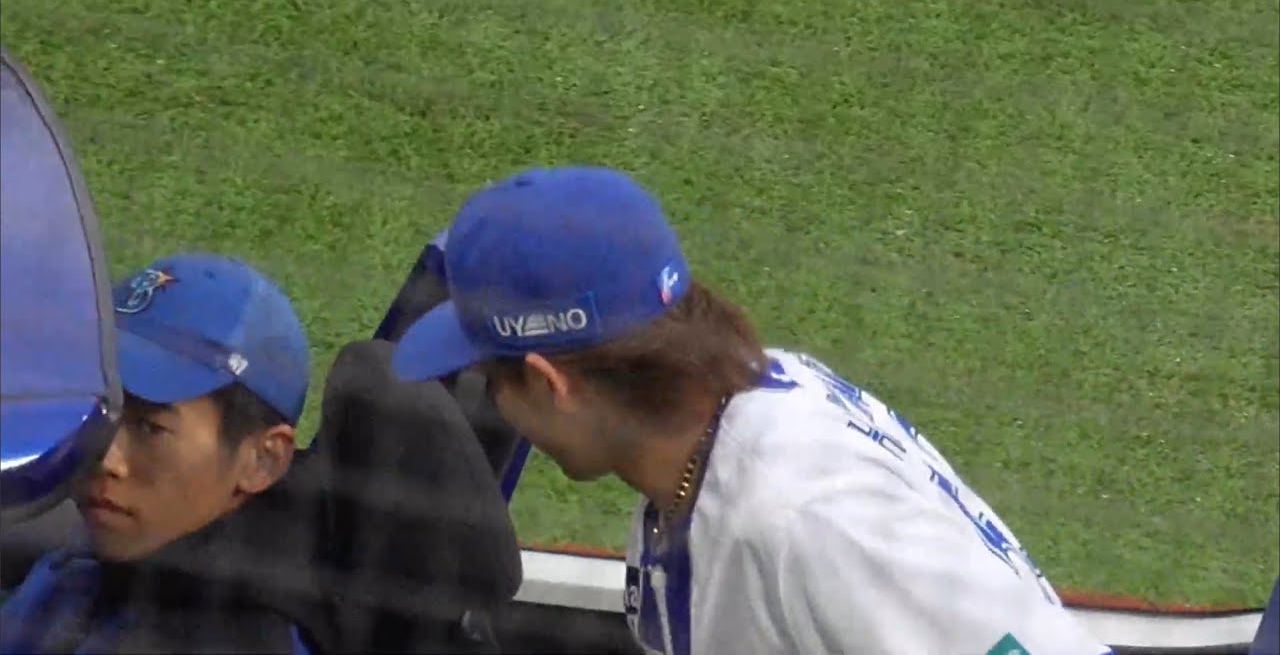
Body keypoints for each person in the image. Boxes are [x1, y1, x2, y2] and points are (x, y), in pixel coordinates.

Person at [390, 165, 1114, 655]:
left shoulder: (811, 522)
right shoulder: (701, 438)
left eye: (491, 379)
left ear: (551, 383)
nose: (494, 405)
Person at [0, 252, 318, 654]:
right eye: (101, 410)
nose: (105, 458)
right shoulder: (111, 555)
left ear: (262, 460)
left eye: (151, 428)